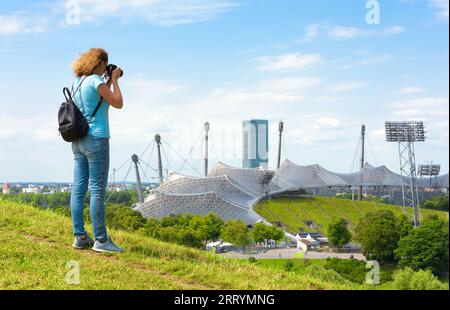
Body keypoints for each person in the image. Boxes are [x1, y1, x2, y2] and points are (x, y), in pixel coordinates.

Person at [69, 48, 124, 253]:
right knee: (97, 191)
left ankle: (80, 236)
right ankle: (101, 240)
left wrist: (107, 81)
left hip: (79, 141)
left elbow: (99, 101)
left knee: (78, 189)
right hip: (97, 139)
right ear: (99, 62)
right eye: (105, 64)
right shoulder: (95, 81)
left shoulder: (79, 82)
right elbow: (117, 103)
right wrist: (115, 80)